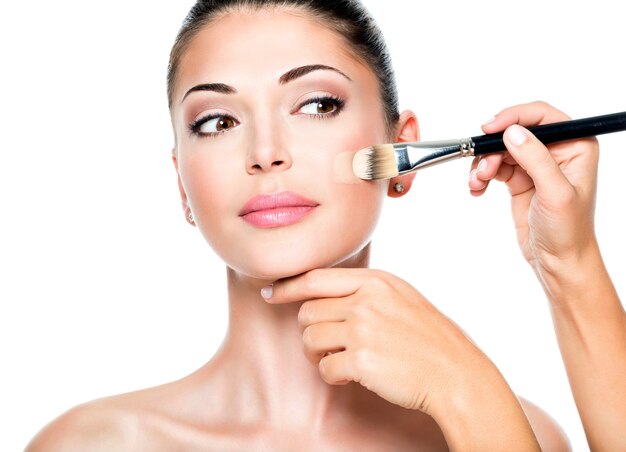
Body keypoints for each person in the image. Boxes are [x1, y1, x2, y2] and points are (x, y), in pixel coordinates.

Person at [24, 0, 624, 450]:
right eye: (216, 122)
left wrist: (467, 380)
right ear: (183, 184)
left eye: (317, 105)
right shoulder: (89, 444)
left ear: (400, 151)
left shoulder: (504, 427)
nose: (266, 151)